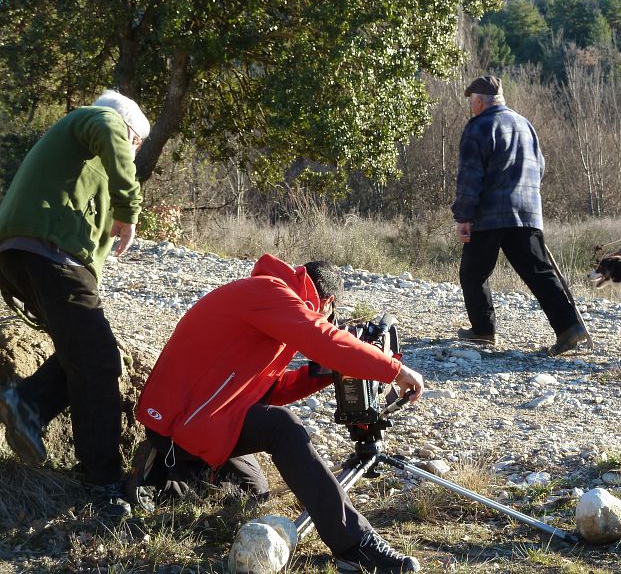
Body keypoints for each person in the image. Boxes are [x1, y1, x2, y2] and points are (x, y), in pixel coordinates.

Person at [131, 254, 424, 573]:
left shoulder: (268, 298)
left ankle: (168, 477)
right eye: (330, 316)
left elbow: (271, 389)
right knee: (282, 427)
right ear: (328, 302)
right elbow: (322, 338)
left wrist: (329, 371)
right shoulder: (269, 291)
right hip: (181, 422)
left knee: (253, 493)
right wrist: (394, 370)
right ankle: (355, 547)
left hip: (202, 413)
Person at [0, 90, 148, 520]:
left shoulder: (81, 162)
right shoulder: (98, 120)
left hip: (25, 254)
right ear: (129, 133)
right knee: (99, 361)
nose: (133, 153)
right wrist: (129, 208)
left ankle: (27, 405)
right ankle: (102, 482)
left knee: (85, 353)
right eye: (136, 143)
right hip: (51, 253)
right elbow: (107, 123)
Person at [451, 75, 588, 356]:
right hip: (527, 212)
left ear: (479, 101)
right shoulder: (525, 124)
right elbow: (540, 168)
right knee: (538, 273)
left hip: (489, 215)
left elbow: (470, 177)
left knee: (473, 273)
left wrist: (463, 216)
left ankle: (483, 331)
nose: (471, 107)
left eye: (472, 101)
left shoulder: (478, 127)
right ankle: (569, 327)